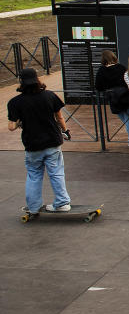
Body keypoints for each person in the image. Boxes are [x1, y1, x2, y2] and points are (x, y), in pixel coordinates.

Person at [7, 68, 72, 214]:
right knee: (56, 172)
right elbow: (59, 117)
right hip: (52, 141)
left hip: (32, 143)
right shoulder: (49, 96)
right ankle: (62, 203)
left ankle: (34, 207)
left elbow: (11, 127)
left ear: (21, 82)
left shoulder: (15, 102)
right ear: (37, 80)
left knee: (34, 175)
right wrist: (65, 131)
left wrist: (20, 121)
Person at [95, 50, 129, 148]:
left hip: (113, 97)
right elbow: (128, 80)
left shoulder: (101, 71)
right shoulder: (120, 68)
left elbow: (98, 86)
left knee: (125, 118)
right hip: (126, 96)